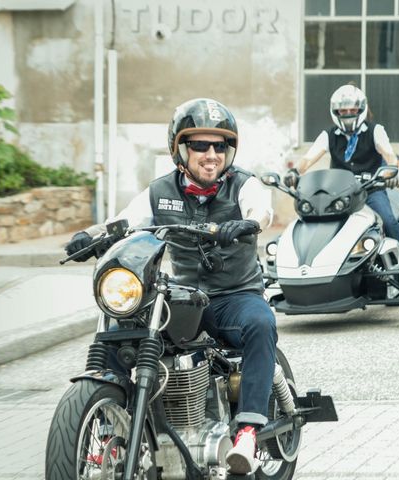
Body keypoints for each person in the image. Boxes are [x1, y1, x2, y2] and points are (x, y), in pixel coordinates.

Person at [65, 98, 275, 475]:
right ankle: (111, 419)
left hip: (233, 297)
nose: (211, 154)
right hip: (182, 299)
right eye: (199, 145)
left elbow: (262, 209)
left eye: (220, 146)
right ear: (180, 149)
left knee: (261, 323)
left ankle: (247, 431)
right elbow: (124, 222)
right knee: (122, 325)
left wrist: (248, 223)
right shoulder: (161, 190)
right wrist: (91, 236)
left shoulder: (244, 185)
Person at [284, 84, 399, 242]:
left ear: (361, 109)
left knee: (388, 221)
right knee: (315, 223)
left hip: (371, 191)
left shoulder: (375, 131)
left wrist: (392, 170)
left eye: (353, 110)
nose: (348, 114)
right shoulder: (328, 135)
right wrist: (295, 172)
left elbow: (389, 155)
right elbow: (307, 159)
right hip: (338, 194)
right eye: (343, 110)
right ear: (335, 111)